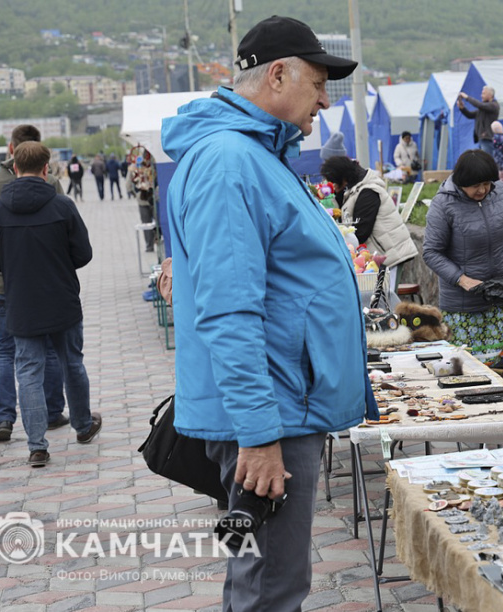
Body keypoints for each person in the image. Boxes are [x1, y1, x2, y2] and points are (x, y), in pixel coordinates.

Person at [160, 15, 377, 612]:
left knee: (253, 571)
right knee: (272, 586)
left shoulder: (253, 154)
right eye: (318, 83)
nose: (325, 100)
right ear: (277, 75)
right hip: (270, 418)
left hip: (277, 405)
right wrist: (258, 438)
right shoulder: (231, 161)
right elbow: (229, 311)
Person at [0, 141, 101, 467]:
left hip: (21, 301)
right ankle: (84, 425)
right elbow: (84, 254)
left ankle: (37, 446)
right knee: (72, 362)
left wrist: (16, 266)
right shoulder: (62, 206)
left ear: (14, 167)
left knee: (28, 371)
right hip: (62, 299)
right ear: (47, 169)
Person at [0, 124, 68, 442]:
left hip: (1, 285)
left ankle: (4, 418)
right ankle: (52, 413)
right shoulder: (49, 183)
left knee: (3, 351)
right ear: (42, 155)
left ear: (11, 149)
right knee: (49, 350)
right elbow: (66, 234)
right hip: (43, 284)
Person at [423, 149, 503, 365]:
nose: (483, 190)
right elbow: (431, 252)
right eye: (476, 185)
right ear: (461, 182)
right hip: (466, 307)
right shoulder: (443, 204)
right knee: (476, 375)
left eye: (486, 183)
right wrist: (462, 280)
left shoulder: (501, 193)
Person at [319, 155, 418, 292]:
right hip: (380, 256)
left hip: (389, 256)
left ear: (344, 178)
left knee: (384, 302)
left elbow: (361, 231)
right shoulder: (354, 190)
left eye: (334, 182)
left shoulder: (368, 191)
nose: (333, 186)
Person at [457, 86, 500, 155]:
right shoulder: (483, 108)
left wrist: (467, 97)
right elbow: (470, 115)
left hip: (487, 138)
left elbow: (480, 105)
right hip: (481, 138)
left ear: (490, 95)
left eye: (483, 93)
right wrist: (462, 108)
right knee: (483, 160)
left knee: (486, 160)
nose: (481, 95)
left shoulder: (494, 105)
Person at [131, 150, 156, 252]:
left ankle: (149, 245)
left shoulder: (135, 166)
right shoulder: (154, 165)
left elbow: (129, 183)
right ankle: (158, 239)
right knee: (158, 223)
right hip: (155, 199)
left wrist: (135, 194)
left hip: (142, 200)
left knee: (146, 223)